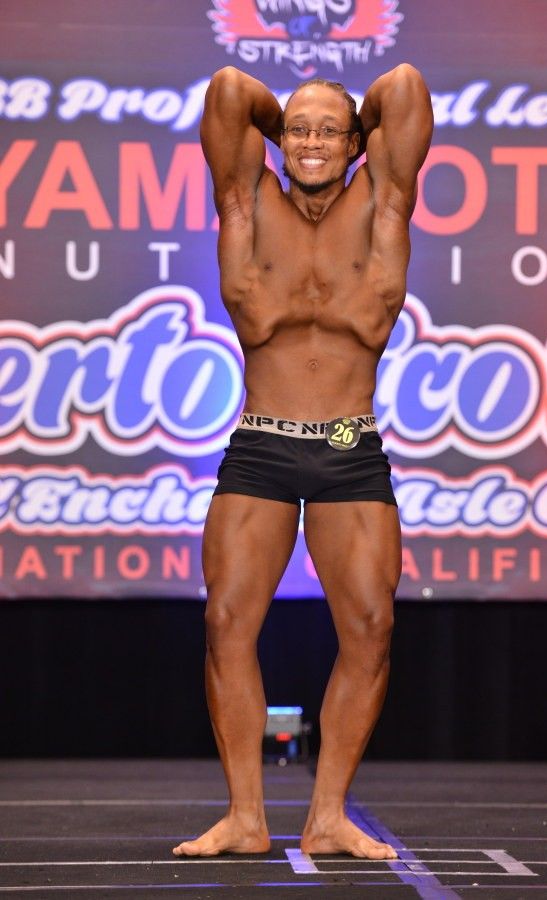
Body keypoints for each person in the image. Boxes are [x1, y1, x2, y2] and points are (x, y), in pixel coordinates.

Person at [173, 62, 433, 861]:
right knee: (226, 623)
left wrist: (344, 124)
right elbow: (228, 88)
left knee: (372, 628)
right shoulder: (245, 203)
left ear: (358, 142)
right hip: (262, 443)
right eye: (297, 130)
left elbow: (404, 85)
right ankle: (245, 817)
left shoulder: (383, 202)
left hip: (350, 448)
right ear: (277, 137)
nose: (310, 142)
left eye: (328, 131)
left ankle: (326, 816)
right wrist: (291, 119)